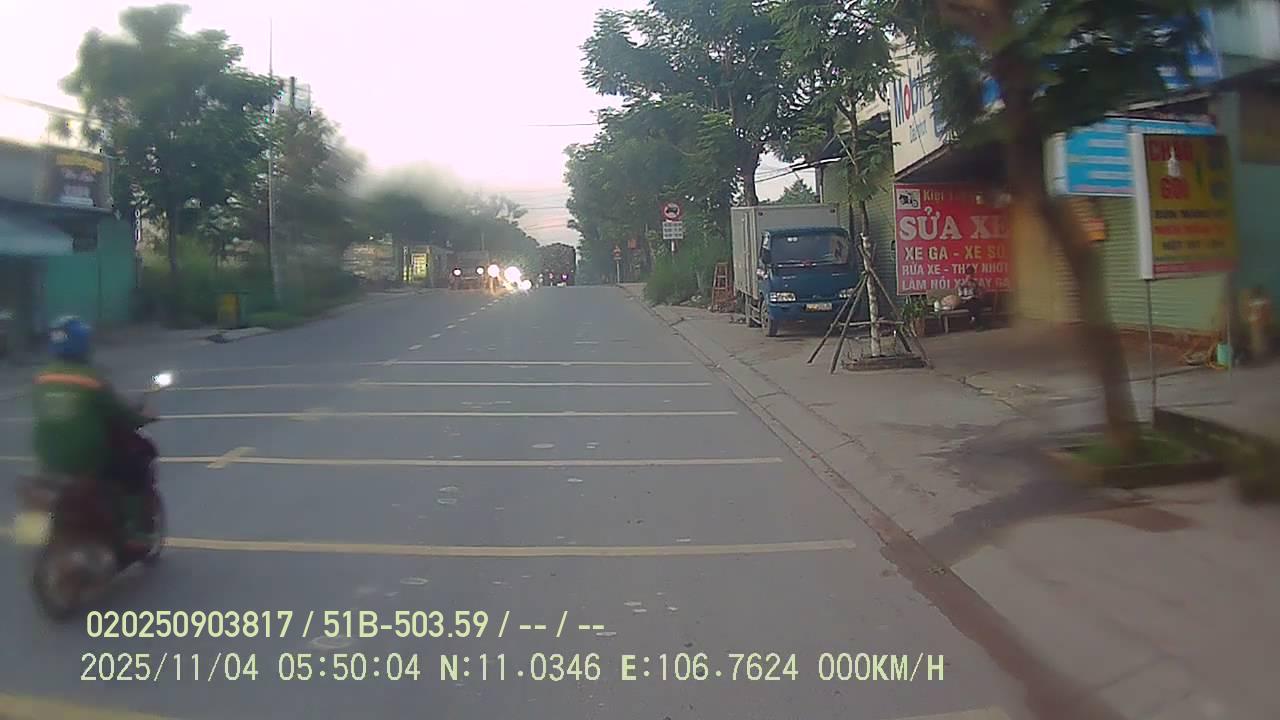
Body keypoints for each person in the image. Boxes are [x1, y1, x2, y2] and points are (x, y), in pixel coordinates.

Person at [31, 316, 155, 545]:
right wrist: (143, 417)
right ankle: (136, 534)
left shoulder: (41, 378)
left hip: (47, 458)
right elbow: (119, 413)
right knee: (134, 473)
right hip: (86, 459)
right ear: (82, 343)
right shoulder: (91, 379)